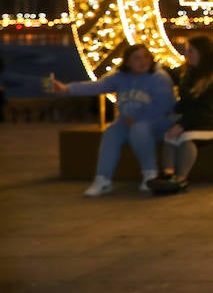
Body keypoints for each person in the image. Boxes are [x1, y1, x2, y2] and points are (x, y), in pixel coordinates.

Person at [50, 43, 176, 196]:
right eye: (137, 58)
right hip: (128, 121)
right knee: (111, 132)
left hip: (157, 121)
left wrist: (137, 118)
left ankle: (150, 175)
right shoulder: (120, 77)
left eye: (146, 57)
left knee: (139, 130)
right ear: (128, 62)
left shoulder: (159, 78)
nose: (143, 61)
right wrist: (67, 89)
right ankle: (103, 179)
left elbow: (164, 106)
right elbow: (97, 86)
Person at [147, 34, 213, 194]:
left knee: (186, 137)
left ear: (202, 53)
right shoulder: (188, 72)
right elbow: (172, 74)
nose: (187, 55)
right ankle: (167, 174)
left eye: (191, 51)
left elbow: (210, 110)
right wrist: (154, 68)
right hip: (195, 120)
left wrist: (183, 124)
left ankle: (181, 178)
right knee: (170, 136)